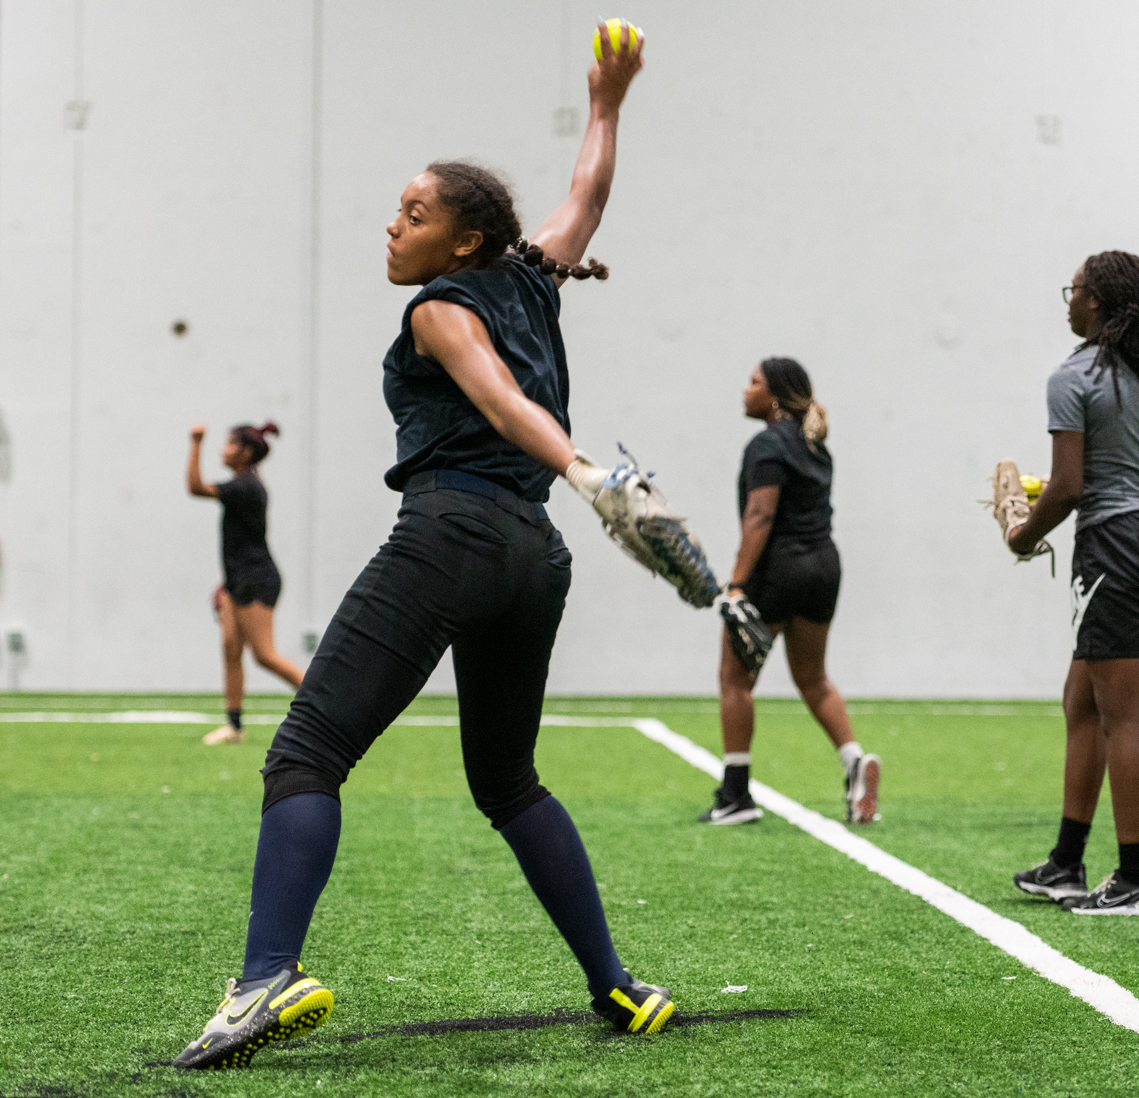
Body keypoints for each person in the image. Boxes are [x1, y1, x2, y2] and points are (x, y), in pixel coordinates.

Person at [172, 27, 672, 1071]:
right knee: (509, 782)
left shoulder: (441, 307)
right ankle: (617, 987)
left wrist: (583, 471)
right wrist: (606, 102)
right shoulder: (533, 277)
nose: (391, 226)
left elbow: (498, 399)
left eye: (414, 213)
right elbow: (585, 197)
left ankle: (266, 977)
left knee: (305, 754)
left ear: (460, 245)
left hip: (453, 531)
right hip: (533, 561)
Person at [1007, 251, 1139, 917]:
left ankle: (1135, 879)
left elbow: (1067, 487)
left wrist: (1022, 536)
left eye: (1076, 290)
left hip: (1112, 542)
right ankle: (1066, 863)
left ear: (1098, 303)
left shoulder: (1073, 377)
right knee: (1082, 699)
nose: (1068, 300)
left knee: (1121, 714)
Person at [699, 357, 881, 827]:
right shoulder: (815, 444)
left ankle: (736, 795)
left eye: (754, 382)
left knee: (735, 679)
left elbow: (760, 516)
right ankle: (854, 763)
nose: (745, 390)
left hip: (778, 571)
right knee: (813, 678)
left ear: (774, 395)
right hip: (824, 568)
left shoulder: (766, 444)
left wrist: (736, 584)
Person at [187, 422, 306, 745]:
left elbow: (195, 487)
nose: (222, 450)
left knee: (264, 655)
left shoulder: (246, 487)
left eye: (229, 445)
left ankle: (328, 707)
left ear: (245, 452)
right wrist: (227, 583)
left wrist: (195, 442)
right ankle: (234, 727)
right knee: (230, 649)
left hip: (257, 580)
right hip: (236, 582)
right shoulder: (243, 485)